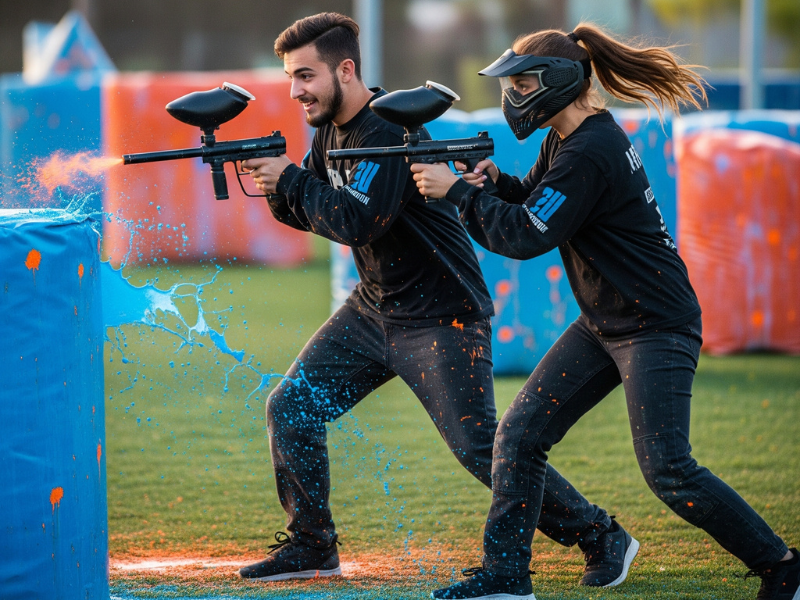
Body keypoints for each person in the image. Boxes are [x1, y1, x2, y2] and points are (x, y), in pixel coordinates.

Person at [237, 12, 638, 587]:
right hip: (374, 310)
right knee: (290, 409)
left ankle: (601, 535)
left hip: (441, 317)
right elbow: (315, 209)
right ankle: (312, 545)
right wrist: (277, 185)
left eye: (305, 75)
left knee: (481, 447)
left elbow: (359, 221)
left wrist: (293, 182)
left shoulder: (388, 127)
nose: (295, 90)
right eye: (291, 77)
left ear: (345, 70)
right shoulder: (329, 126)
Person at [411, 23, 799, 600]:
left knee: (669, 469)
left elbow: (525, 235)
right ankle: (507, 579)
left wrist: (460, 194)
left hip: (656, 326)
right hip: (605, 323)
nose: (511, 96)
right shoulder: (570, 140)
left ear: (559, 83)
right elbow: (537, 200)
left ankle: (784, 568)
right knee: (517, 437)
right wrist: (494, 182)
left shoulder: (590, 150)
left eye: (520, 84)